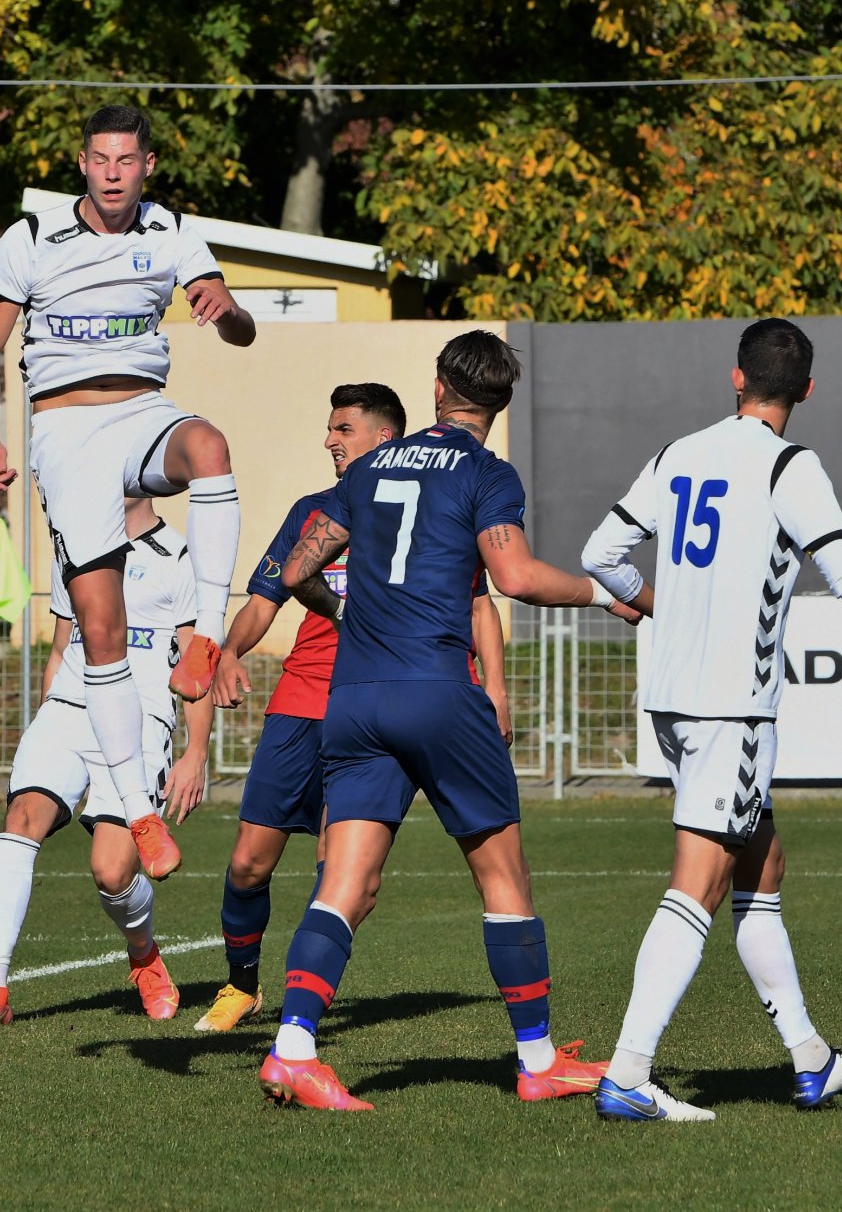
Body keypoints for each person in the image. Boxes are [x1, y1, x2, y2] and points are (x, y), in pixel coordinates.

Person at [582, 319, 842, 1121]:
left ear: (736, 377)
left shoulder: (677, 453)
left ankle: (811, 1059)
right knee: (698, 882)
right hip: (729, 704)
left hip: (673, 696)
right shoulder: (789, 464)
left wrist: (656, 603)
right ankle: (628, 1073)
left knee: (762, 864)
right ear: (807, 388)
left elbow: (601, 554)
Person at [261, 330, 634, 1112]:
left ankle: (293, 1049)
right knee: (505, 877)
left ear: (437, 389)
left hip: (355, 697)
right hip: (436, 690)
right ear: (500, 403)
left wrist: (350, 614)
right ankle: (536, 1060)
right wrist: (607, 594)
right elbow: (515, 576)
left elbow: (297, 569)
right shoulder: (486, 472)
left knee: (345, 880)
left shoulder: (369, 466)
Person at [0, 103, 256, 884]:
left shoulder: (172, 230)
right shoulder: (31, 238)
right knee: (101, 632)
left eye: (127, 160)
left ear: (147, 165)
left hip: (142, 412)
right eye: (101, 159)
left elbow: (239, 327)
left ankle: (205, 638)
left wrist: (227, 310)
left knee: (210, 447)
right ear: (83, 163)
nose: (113, 173)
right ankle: (137, 808)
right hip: (65, 433)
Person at [195, 383, 512, 1033]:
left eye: (343, 429)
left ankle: (303, 1011)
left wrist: (496, 688)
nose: (329, 440)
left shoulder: (435, 507)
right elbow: (267, 596)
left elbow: (481, 604)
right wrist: (229, 651)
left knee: (341, 874)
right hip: (300, 702)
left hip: (371, 707)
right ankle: (241, 985)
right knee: (249, 861)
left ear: (383, 437)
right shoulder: (315, 512)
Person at [0, 496, 212, 1028]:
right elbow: (61, 645)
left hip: (140, 720)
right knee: (20, 822)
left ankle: (144, 954)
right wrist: (44, 717)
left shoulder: (180, 556)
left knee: (112, 871)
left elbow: (197, 664)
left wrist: (196, 752)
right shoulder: (74, 540)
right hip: (69, 708)